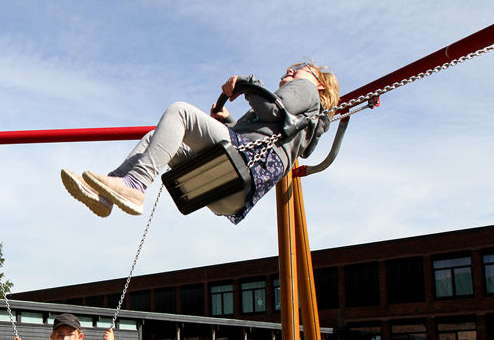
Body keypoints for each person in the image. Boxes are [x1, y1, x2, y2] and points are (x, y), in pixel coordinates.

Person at [61, 62, 339, 222]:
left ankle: (134, 185)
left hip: (241, 169)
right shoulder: (297, 127)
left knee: (179, 112)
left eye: (298, 69)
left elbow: (274, 110)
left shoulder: (307, 92)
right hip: (231, 195)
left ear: (320, 85)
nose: (288, 73)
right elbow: (261, 132)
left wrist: (246, 83)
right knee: (155, 138)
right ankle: (110, 192)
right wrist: (228, 120)